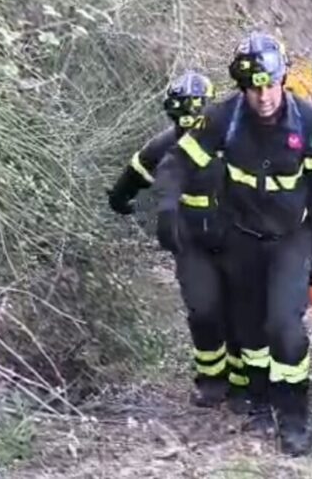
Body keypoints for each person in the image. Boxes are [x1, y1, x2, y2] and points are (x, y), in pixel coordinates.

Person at [152, 30, 312, 457]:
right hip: (241, 238)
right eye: (254, 87)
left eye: (270, 84)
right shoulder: (223, 119)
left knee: (285, 328)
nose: (264, 96)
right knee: (249, 330)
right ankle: (259, 396)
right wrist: (167, 207)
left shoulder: (308, 122)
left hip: (291, 238)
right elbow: (177, 162)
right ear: (242, 86)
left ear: (283, 80)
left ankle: (293, 413)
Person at [105, 71, 251, 411]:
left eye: (194, 120)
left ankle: (245, 382)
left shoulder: (236, 137)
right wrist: (119, 198)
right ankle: (212, 381)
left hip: (237, 236)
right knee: (203, 309)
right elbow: (136, 172)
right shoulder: (165, 144)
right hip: (191, 240)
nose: (189, 130)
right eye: (181, 122)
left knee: (240, 309)